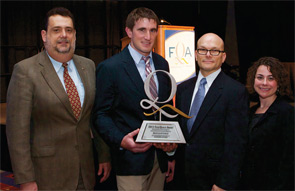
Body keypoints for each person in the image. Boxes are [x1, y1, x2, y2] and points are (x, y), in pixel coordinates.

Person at [6, 7, 111, 190]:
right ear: (44, 35)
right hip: (46, 176)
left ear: (75, 35)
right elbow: (17, 133)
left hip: (85, 173)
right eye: (57, 30)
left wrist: (103, 155)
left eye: (68, 30)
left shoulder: (88, 66)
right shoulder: (25, 71)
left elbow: (93, 116)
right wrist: (25, 179)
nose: (64, 35)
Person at [93, 7, 177, 191]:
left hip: (160, 161)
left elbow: (166, 109)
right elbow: (100, 114)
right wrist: (121, 140)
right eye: (142, 30)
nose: (148, 36)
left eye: (153, 30)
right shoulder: (110, 68)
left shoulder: (162, 64)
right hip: (130, 161)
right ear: (129, 31)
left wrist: (170, 153)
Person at [175, 33, 249, 190]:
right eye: (202, 50)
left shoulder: (235, 91)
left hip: (213, 180)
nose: (208, 55)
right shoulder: (183, 89)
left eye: (214, 51)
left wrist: (224, 182)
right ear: (195, 55)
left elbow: (236, 143)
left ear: (223, 57)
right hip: (182, 177)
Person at [239, 57, 294, 190]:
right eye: (260, 77)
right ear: (253, 80)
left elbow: (289, 160)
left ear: (279, 83)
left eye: (271, 78)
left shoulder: (288, 113)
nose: (264, 83)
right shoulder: (249, 112)